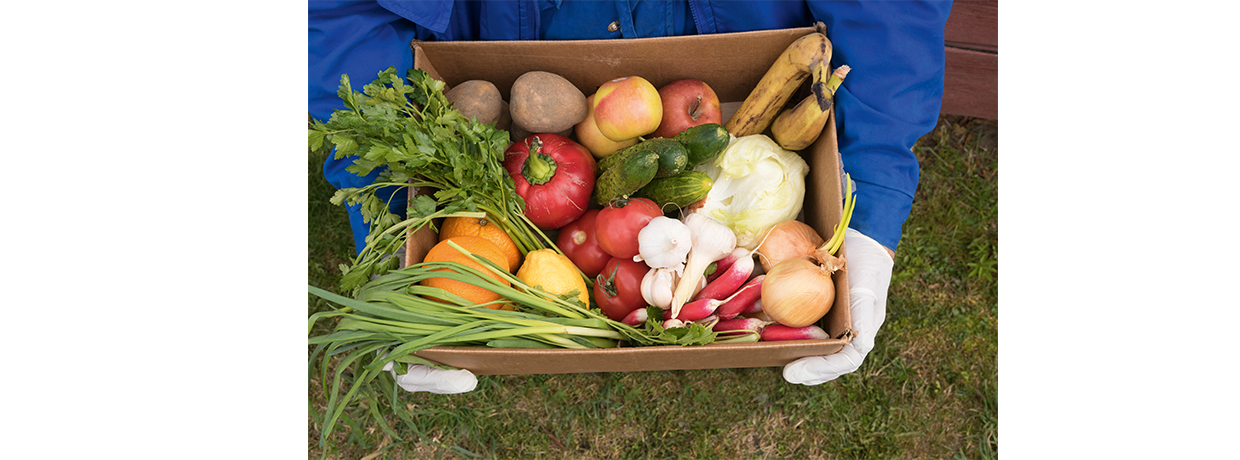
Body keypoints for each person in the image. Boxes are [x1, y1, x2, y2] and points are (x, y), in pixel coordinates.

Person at [309, 0, 953, 393]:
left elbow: (889, 10)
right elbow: (339, 16)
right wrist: (392, 207)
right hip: (524, 87)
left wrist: (867, 196)